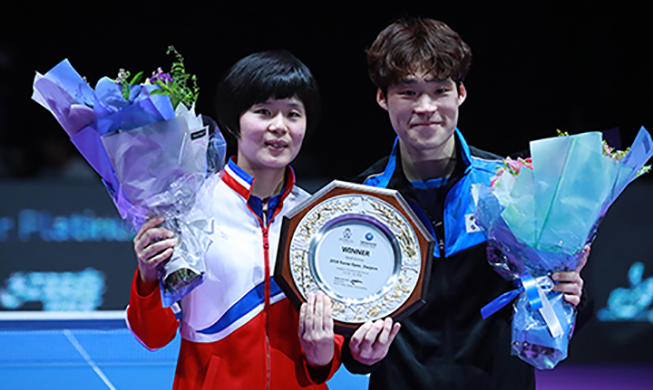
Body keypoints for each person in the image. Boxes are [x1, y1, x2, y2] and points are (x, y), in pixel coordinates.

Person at [341, 17, 590, 389]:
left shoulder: (511, 186)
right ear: (382, 97)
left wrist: (572, 295)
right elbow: (348, 331)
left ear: (460, 93)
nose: (425, 107)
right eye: (408, 93)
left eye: (439, 90)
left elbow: (561, 308)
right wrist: (357, 354)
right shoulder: (361, 199)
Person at [126, 50, 344, 389]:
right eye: (263, 112)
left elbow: (327, 352)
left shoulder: (318, 219)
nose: (279, 127)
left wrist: (324, 354)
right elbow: (153, 336)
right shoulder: (188, 210)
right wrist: (148, 275)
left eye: (293, 114)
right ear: (232, 122)